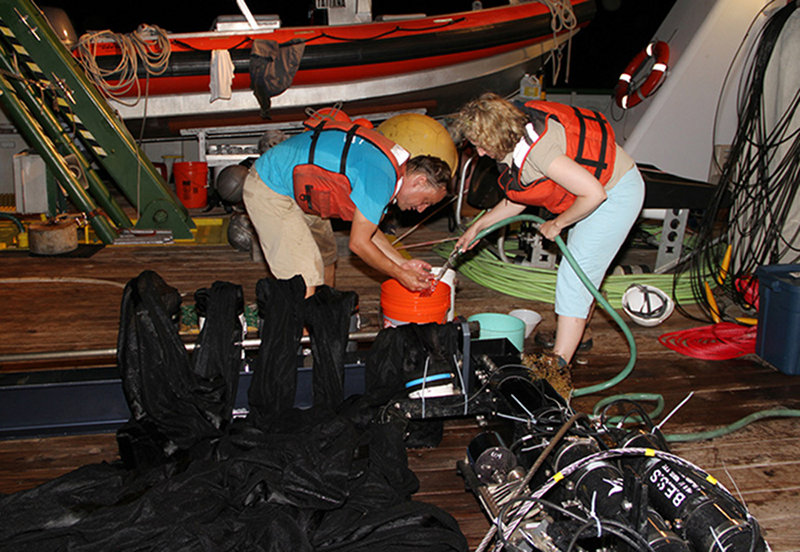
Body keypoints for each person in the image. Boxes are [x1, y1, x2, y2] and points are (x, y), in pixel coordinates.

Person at [453, 93, 645, 367]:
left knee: (574, 274)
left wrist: (558, 223)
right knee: (582, 272)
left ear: (496, 135)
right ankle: (580, 333)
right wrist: (478, 227)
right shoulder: (513, 139)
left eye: (481, 146)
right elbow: (517, 197)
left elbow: (594, 194)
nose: (480, 153)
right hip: (592, 192)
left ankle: (558, 364)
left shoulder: (541, 152)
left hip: (615, 194)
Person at [243, 119, 452, 298]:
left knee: (326, 257)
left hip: (300, 187)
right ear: (419, 181)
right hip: (269, 186)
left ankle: (323, 314)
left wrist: (402, 263)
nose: (422, 209)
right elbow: (359, 244)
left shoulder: (394, 167)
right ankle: (303, 339)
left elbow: (367, 228)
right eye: (426, 201)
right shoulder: (382, 179)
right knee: (303, 276)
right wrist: (399, 274)